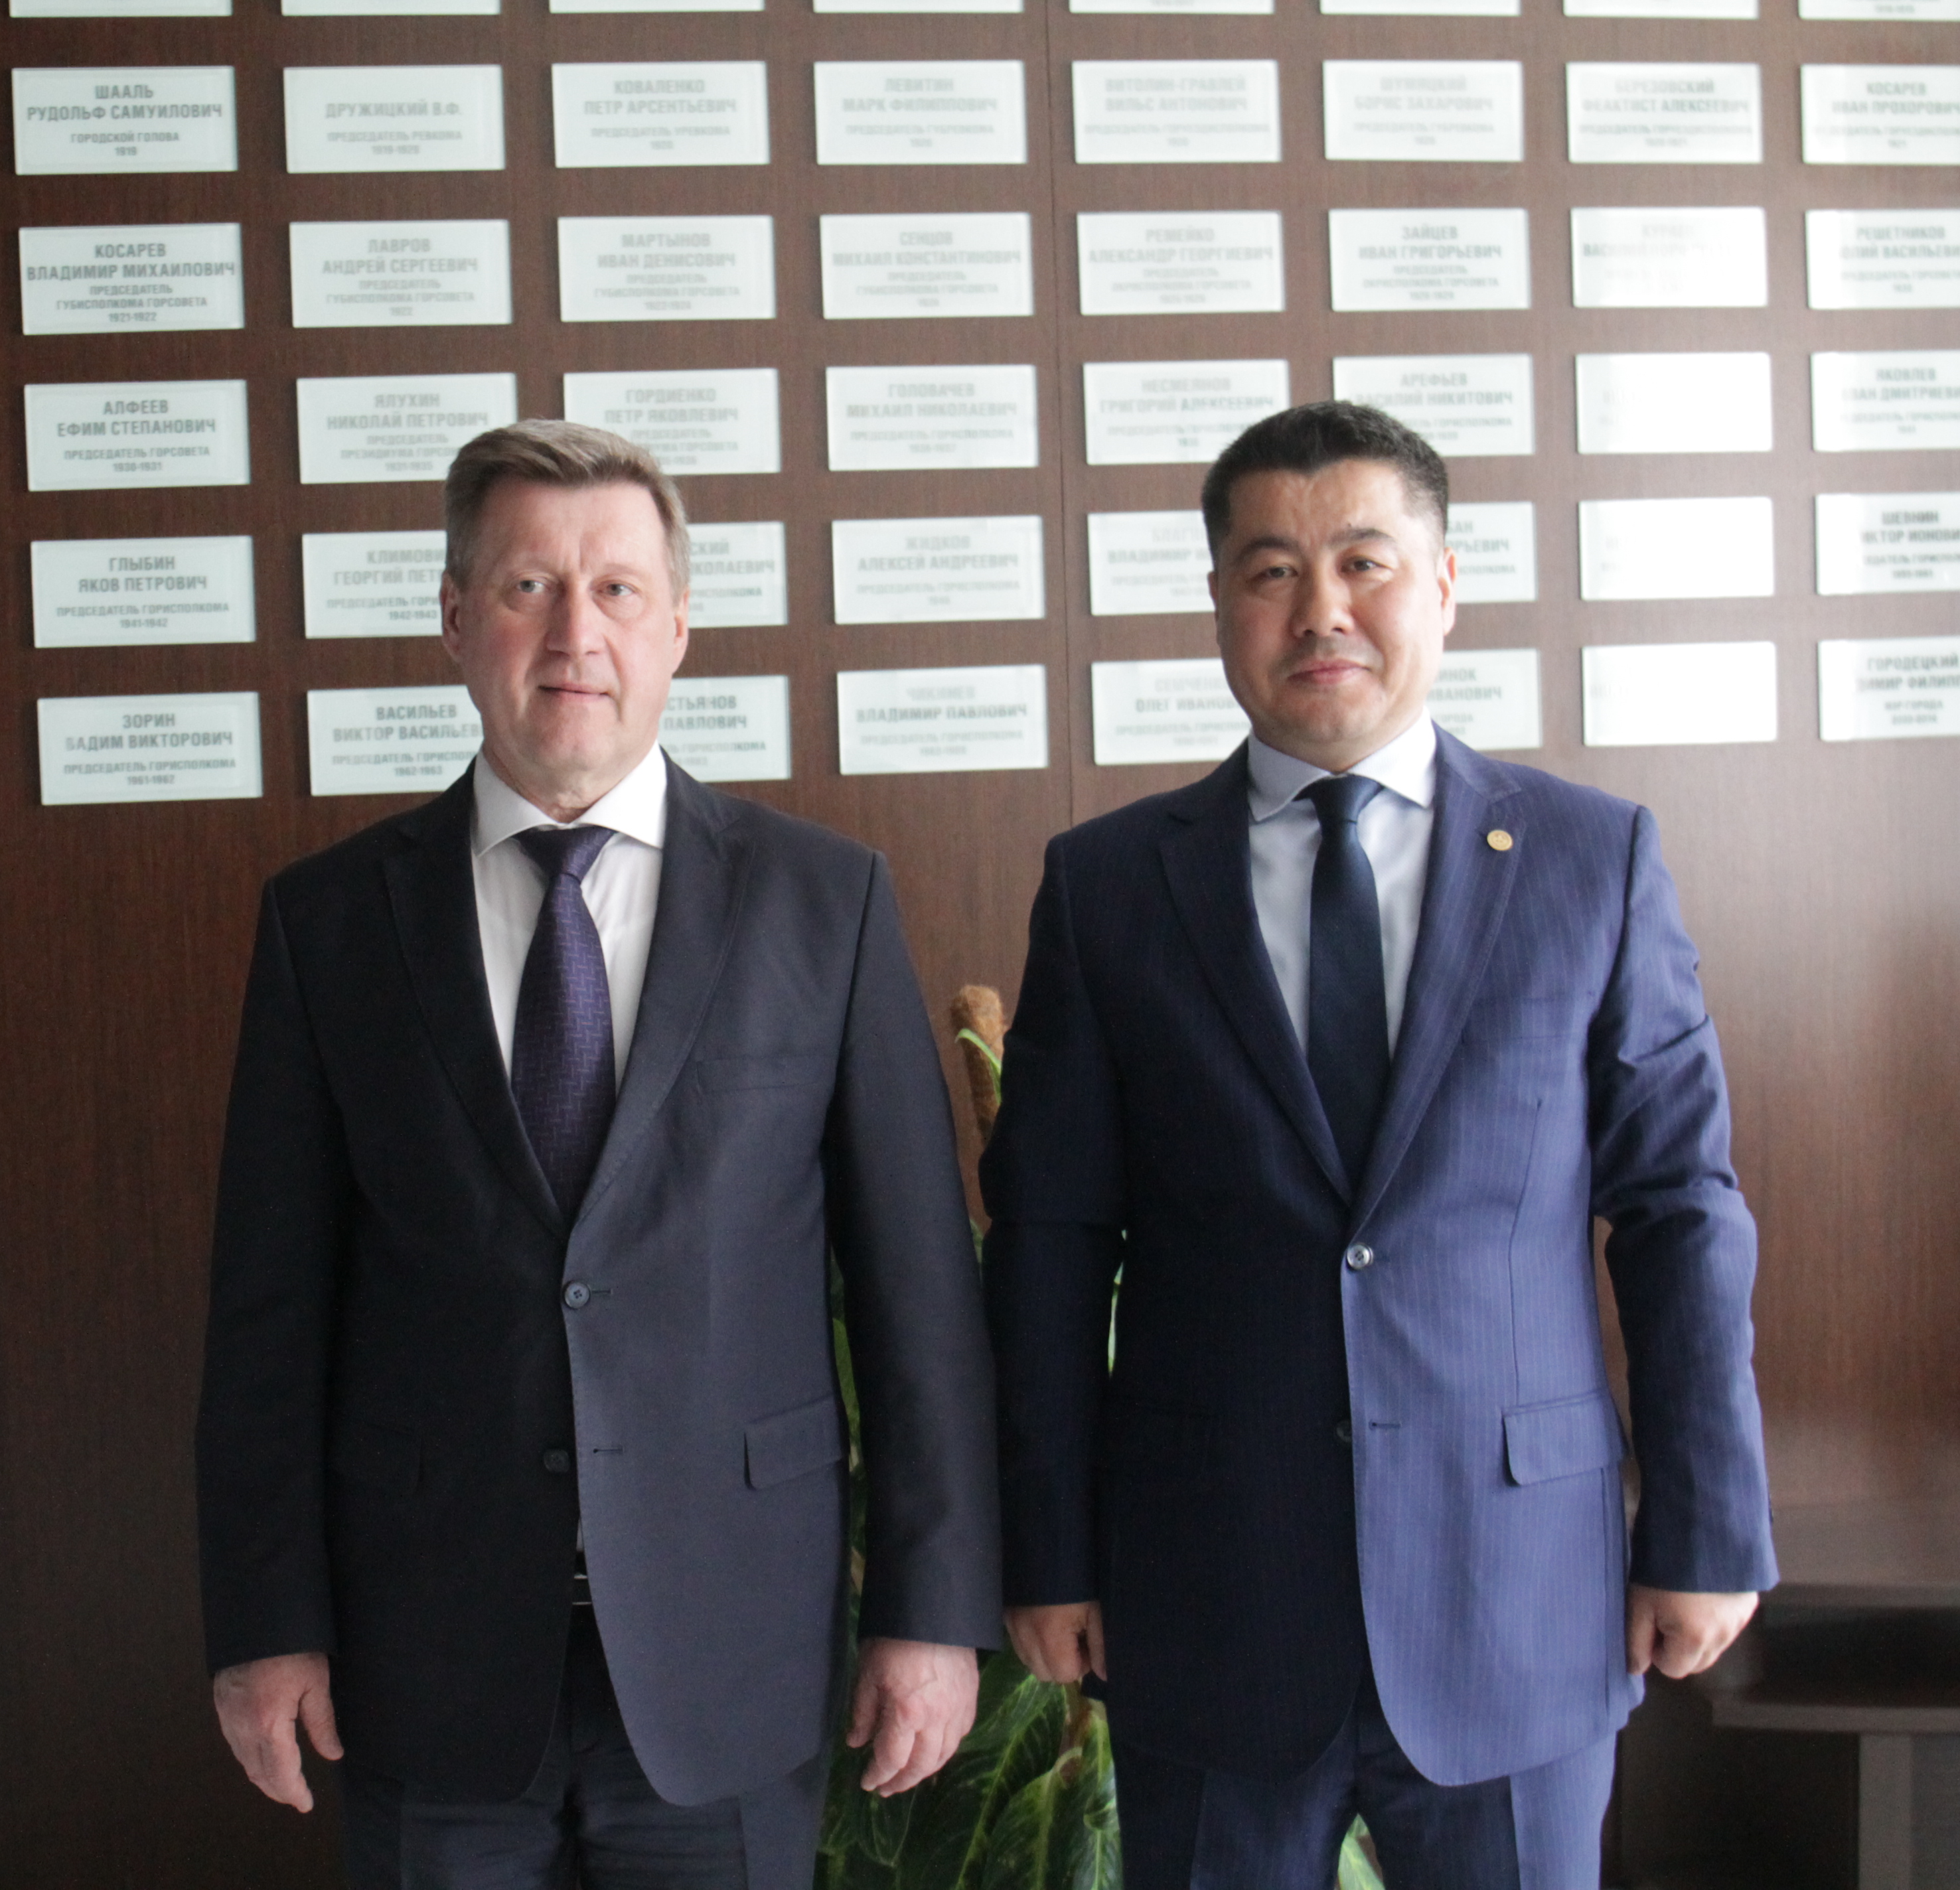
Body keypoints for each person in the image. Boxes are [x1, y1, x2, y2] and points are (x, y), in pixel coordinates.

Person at [196, 419, 1002, 1890]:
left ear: (678, 624)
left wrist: (932, 1611)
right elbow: (268, 1314)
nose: (577, 633)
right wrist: (264, 1620)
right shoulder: (330, 925)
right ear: (457, 619)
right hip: (425, 1655)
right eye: (528, 587)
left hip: (732, 1650)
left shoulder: (824, 904)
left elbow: (919, 1298)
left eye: (618, 589)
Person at [981, 401, 1777, 1889]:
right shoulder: (1110, 888)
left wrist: (1709, 1522)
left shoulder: (1591, 858)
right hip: (1212, 1595)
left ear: (1446, 584)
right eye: (1272, 571)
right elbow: (1048, 1244)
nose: (1321, 611)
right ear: (1220, 602)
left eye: (1365, 561)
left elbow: (1680, 1204)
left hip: (1520, 1592)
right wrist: (1050, 1550)